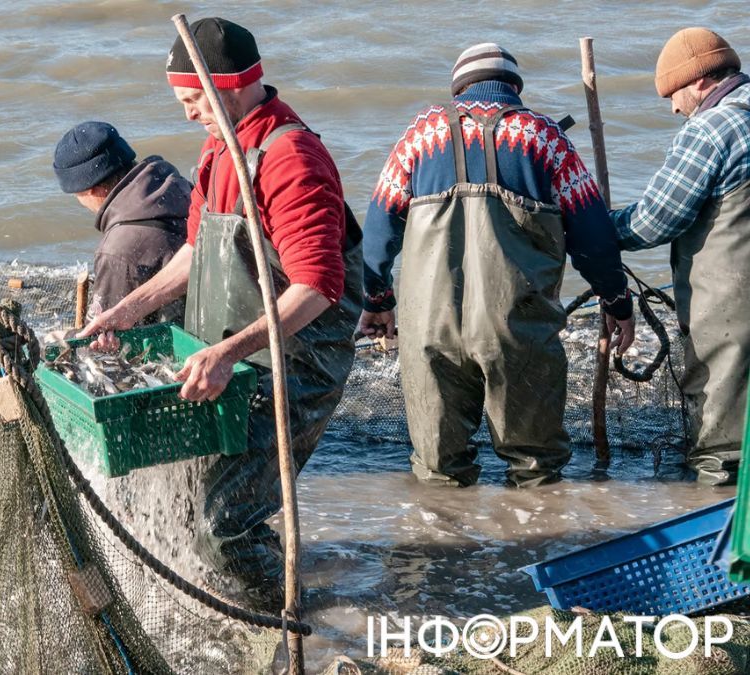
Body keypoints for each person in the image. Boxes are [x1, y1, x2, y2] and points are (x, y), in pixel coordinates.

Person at [81, 17, 362, 608]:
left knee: (221, 522)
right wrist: (126, 311)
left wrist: (229, 351)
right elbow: (194, 249)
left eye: (192, 101)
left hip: (295, 356)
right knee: (194, 493)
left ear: (226, 87)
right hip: (233, 348)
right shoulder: (220, 146)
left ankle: (297, 617)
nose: (187, 115)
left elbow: (317, 287)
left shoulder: (291, 159)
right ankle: (262, 584)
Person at [358, 43, 636, 488]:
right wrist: (618, 302)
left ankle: (444, 551)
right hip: (518, 331)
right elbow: (594, 238)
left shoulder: (420, 135)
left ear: (458, 89)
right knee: (535, 469)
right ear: (514, 88)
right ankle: (533, 547)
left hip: (430, 331)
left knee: (438, 472)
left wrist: (377, 299)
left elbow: (377, 232)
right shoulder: (544, 137)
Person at [610, 28, 750, 486]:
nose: (673, 109)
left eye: (672, 95)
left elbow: (654, 221)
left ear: (699, 82)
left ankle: (719, 531)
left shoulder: (712, 128)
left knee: (723, 440)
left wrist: (598, 230)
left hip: (732, 309)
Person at [53, 121, 190, 324]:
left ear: (88, 188)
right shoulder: (180, 187)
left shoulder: (117, 250)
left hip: (185, 343)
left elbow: (100, 336)